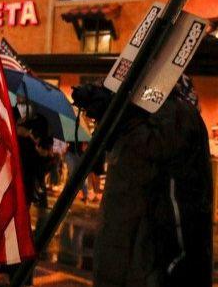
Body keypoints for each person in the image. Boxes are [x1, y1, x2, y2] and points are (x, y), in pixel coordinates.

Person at [73, 81, 213, 286]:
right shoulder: (141, 120)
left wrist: (117, 114)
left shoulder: (175, 117)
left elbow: (152, 148)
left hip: (153, 266)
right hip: (127, 262)